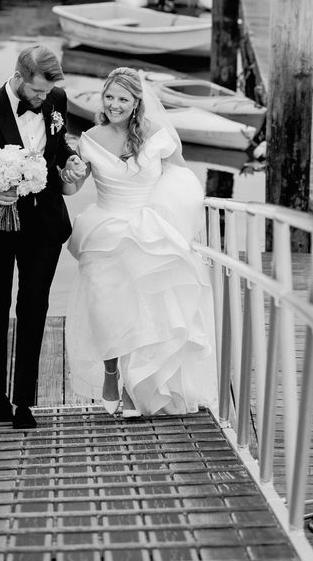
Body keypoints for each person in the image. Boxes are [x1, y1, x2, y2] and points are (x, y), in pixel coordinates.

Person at [65, 67, 218, 416]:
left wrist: (176, 222)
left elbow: (181, 180)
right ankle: (110, 371)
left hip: (147, 231)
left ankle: (136, 388)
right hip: (103, 231)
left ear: (136, 103)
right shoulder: (88, 138)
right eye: (109, 97)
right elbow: (71, 188)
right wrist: (67, 175)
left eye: (123, 98)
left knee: (144, 311)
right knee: (106, 309)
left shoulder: (156, 134)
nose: (115, 104)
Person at [0, 44, 86, 429]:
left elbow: (58, 149)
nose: (43, 98)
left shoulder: (56, 99)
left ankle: (25, 400)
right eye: (38, 91)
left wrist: (69, 160)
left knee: (34, 307)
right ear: (19, 77)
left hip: (44, 226)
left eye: (47, 93)